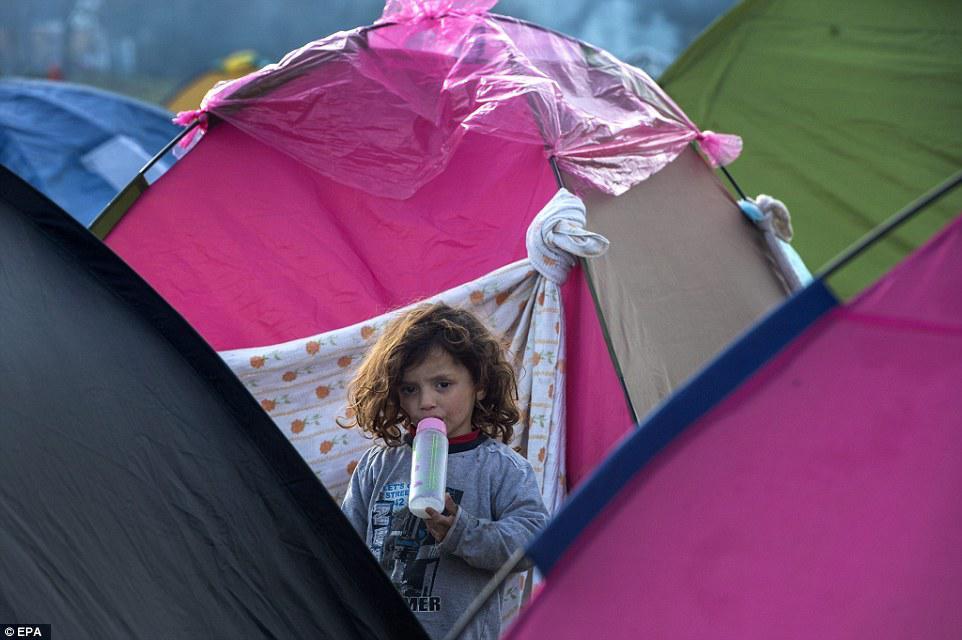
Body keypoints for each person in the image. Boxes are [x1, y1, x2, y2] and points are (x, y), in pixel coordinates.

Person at [341, 302, 549, 640]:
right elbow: (343, 553)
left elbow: (533, 541)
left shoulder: (501, 469)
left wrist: (462, 531)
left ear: (479, 384)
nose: (425, 402)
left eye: (442, 385)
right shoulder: (378, 465)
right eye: (410, 389)